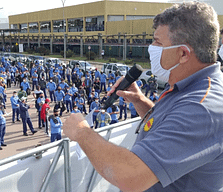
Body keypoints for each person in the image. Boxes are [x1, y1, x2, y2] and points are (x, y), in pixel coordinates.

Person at [62, 2, 223, 191]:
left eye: (158, 42)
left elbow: (130, 176)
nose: (151, 48)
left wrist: (82, 132)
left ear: (183, 54)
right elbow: (171, 127)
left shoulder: (202, 107)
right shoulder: (191, 86)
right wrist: (139, 101)